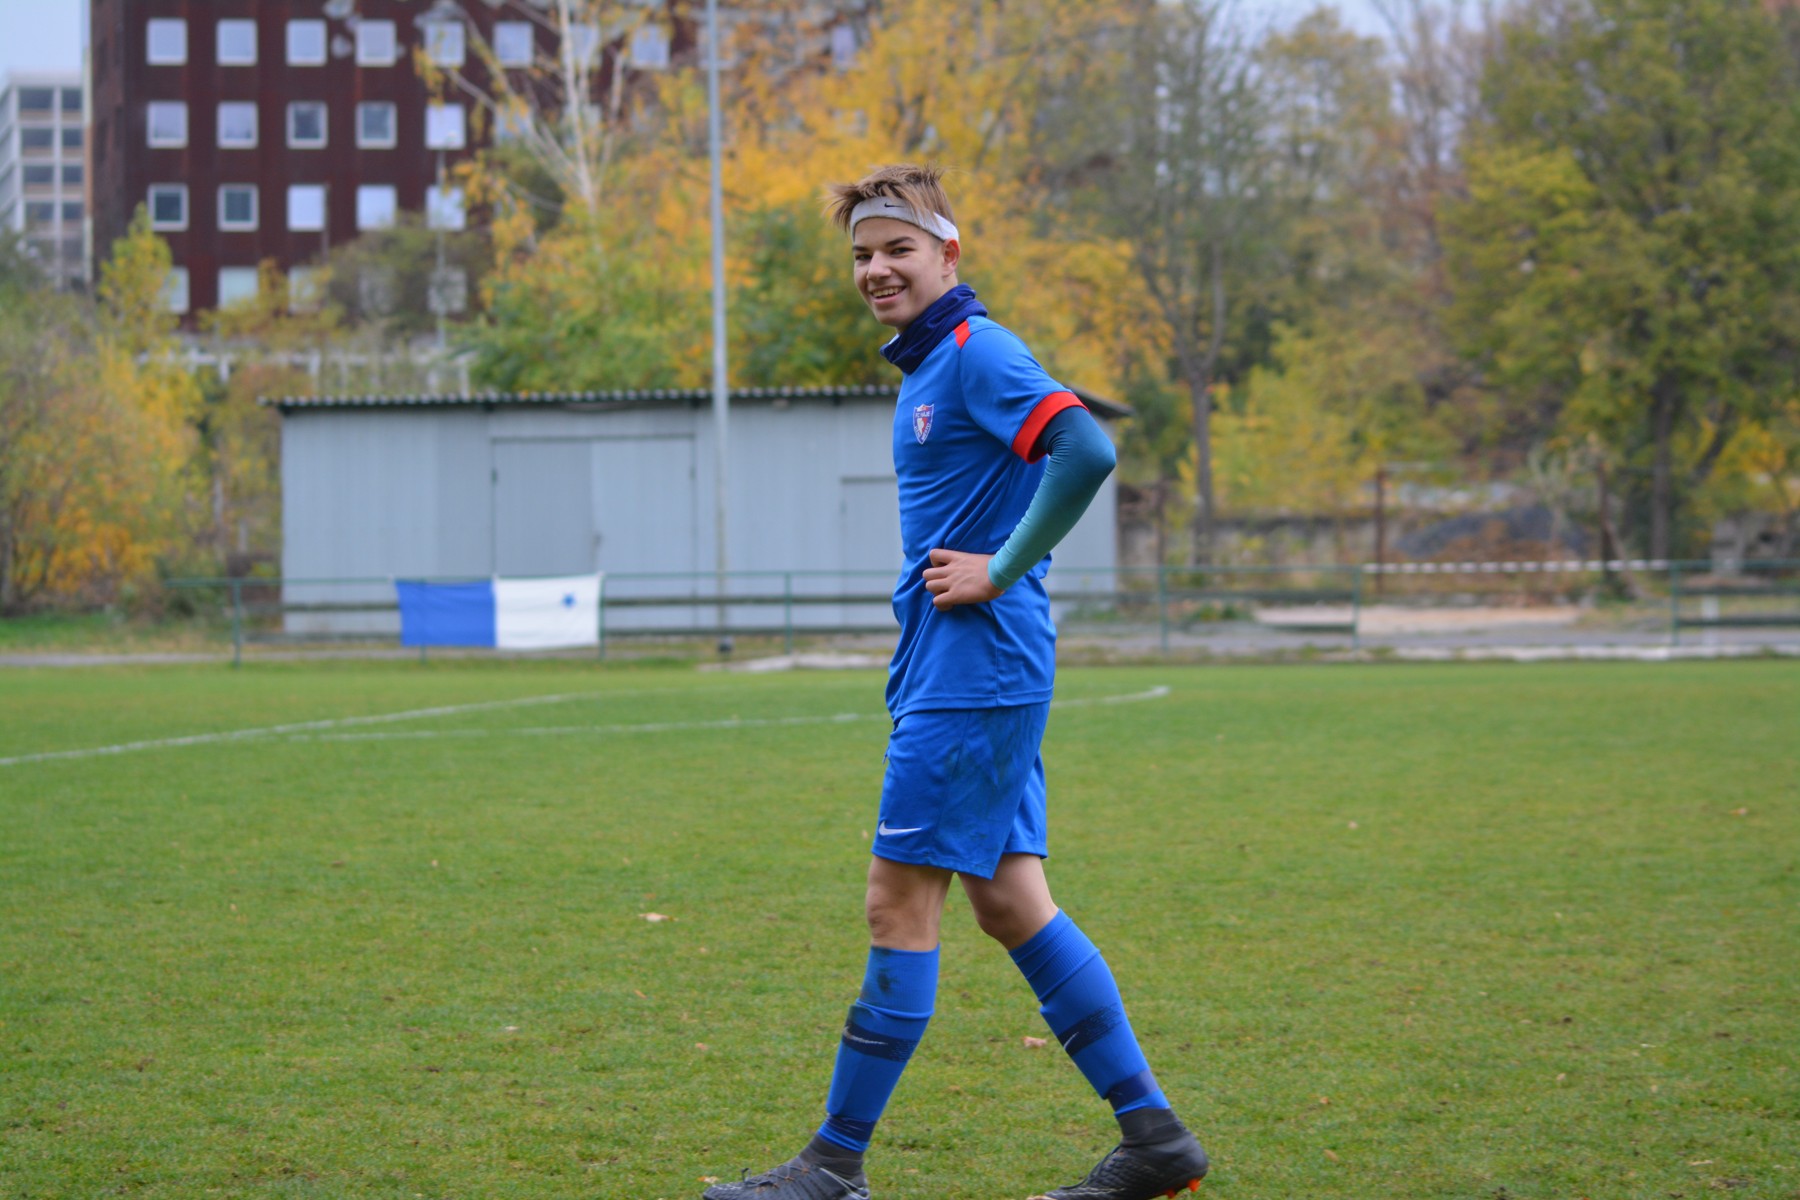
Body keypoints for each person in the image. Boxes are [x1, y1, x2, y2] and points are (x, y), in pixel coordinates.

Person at [703, 164, 1208, 1200]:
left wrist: (1000, 566)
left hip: (976, 668)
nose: (876, 270)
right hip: (959, 666)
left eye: (898, 249)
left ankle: (834, 1165)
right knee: (1013, 902)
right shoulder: (932, 367)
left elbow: (1085, 448)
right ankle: (1156, 1140)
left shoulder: (979, 351)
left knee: (897, 902)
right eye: (862, 255)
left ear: (948, 253)